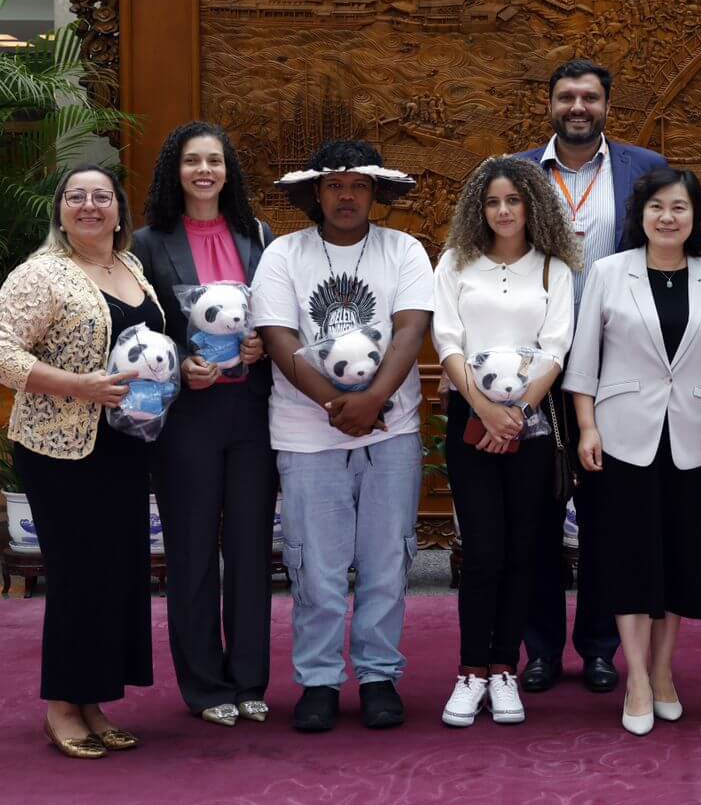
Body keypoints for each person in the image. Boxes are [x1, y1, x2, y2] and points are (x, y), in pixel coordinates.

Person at [250, 140, 433, 733]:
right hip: (308, 436)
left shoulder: (403, 250)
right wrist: (335, 403)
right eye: (334, 185)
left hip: (391, 431)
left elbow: (411, 330)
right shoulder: (284, 254)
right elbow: (278, 337)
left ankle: (378, 676)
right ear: (315, 194)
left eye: (357, 184)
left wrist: (373, 401)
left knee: (387, 561)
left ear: (375, 193)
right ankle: (319, 680)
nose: (347, 194)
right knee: (316, 568)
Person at [0, 165, 160, 759]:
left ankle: (95, 699)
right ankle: (63, 704)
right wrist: (77, 386)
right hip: (60, 449)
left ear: (118, 210)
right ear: (60, 210)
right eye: (76, 197)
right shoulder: (41, 274)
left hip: (125, 446)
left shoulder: (130, 268)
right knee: (79, 576)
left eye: (101, 197)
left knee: (117, 575)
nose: (89, 206)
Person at [515, 59, 667, 695]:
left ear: (607, 105)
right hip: (533, 367)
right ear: (549, 104)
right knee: (536, 517)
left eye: (590, 98)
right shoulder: (518, 172)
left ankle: (602, 647)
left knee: (609, 520)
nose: (578, 107)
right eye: (566, 97)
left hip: (619, 368)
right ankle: (543, 651)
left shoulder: (643, 167)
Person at [563, 167, 701, 735]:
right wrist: (587, 428)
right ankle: (634, 675)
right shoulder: (610, 272)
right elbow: (583, 360)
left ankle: (664, 672)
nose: (667, 217)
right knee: (628, 558)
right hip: (620, 436)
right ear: (641, 215)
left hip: (690, 436)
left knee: (682, 558)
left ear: (695, 217)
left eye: (679, 207)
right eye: (657, 206)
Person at [131, 121, 276, 728]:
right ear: (175, 169)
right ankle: (204, 685)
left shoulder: (258, 236)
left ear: (228, 170)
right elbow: (135, 328)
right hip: (187, 415)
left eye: (214, 160)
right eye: (192, 160)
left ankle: (248, 679)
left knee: (249, 548)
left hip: (251, 414)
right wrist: (177, 363)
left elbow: (276, 316)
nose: (204, 171)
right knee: (192, 551)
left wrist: (261, 346)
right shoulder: (146, 242)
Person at [432, 157, 580, 728]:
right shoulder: (455, 264)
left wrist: (515, 412)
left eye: (513, 201)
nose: (502, 211)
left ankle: (503, 670)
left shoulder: (553, 271)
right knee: (484, 552)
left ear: (532, 206)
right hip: (472, 422)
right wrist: (486, 410)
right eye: (492, 202)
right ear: (479, 207)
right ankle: (470, 671)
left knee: (523, 551)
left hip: (532, 425)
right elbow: (447, 341)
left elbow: (555, 349)